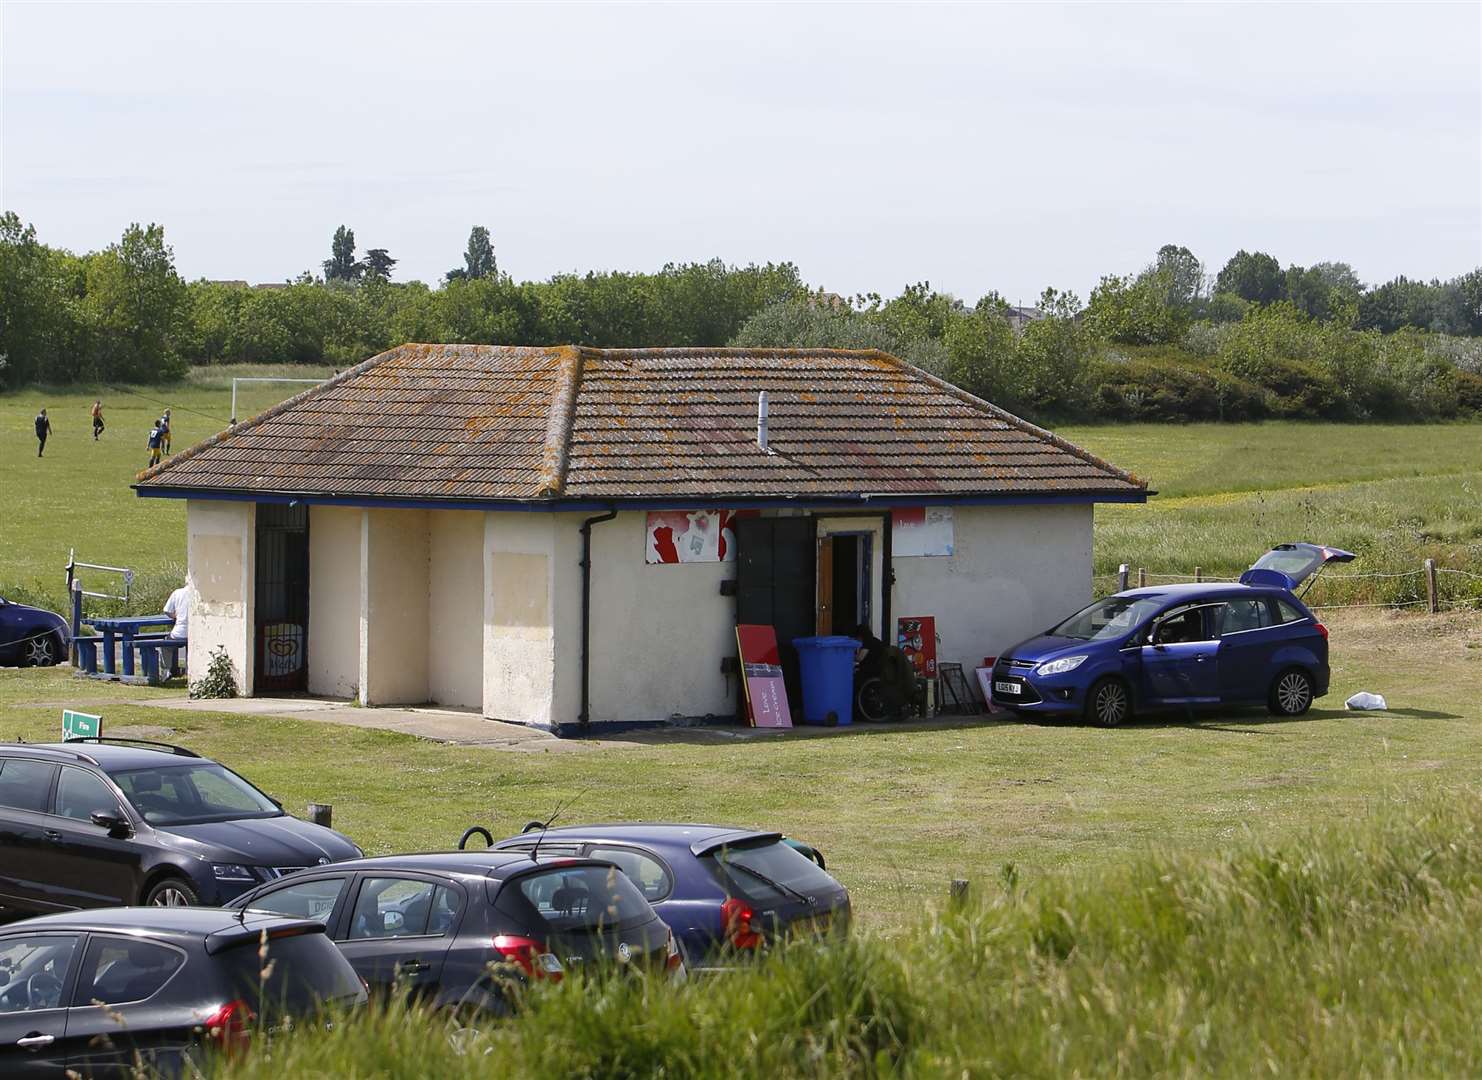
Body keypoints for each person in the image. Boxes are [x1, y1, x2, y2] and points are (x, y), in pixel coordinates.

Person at [163, 577, 190, 677]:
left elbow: (167, 610)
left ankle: (167, 669)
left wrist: (176, 616)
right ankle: (188, 670)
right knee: (190, 647)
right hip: (194, 634)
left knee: (166, 646)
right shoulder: (198, 594)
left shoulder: (177, 593)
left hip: (179, 632)